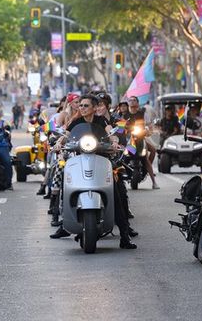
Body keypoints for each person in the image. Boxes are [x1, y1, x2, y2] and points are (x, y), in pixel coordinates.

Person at [54, 94, 136, 249]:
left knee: (118, 192)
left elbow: (110, 132)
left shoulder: (101, 121)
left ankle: (125, 235)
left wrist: (115, 142)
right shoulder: (76, 122)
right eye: (81, 105)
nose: (82, 108)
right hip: (80, 161)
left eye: (86, 106)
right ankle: (65, 224)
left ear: (94, 108)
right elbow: (65, 135)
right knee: (66, 182)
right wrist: (59, 142)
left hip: (102, 159)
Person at [127, 95, 158, 188]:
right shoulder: (125, 114)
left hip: (140, 139)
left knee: (150, 153)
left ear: (137, 103)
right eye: (130, 100)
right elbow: (120, 126)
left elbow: (149, 126)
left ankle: (153, 181)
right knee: (120, 157)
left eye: (134, 100)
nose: (132, 102)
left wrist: (149, 131)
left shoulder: (143, 113)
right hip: (128, 140)